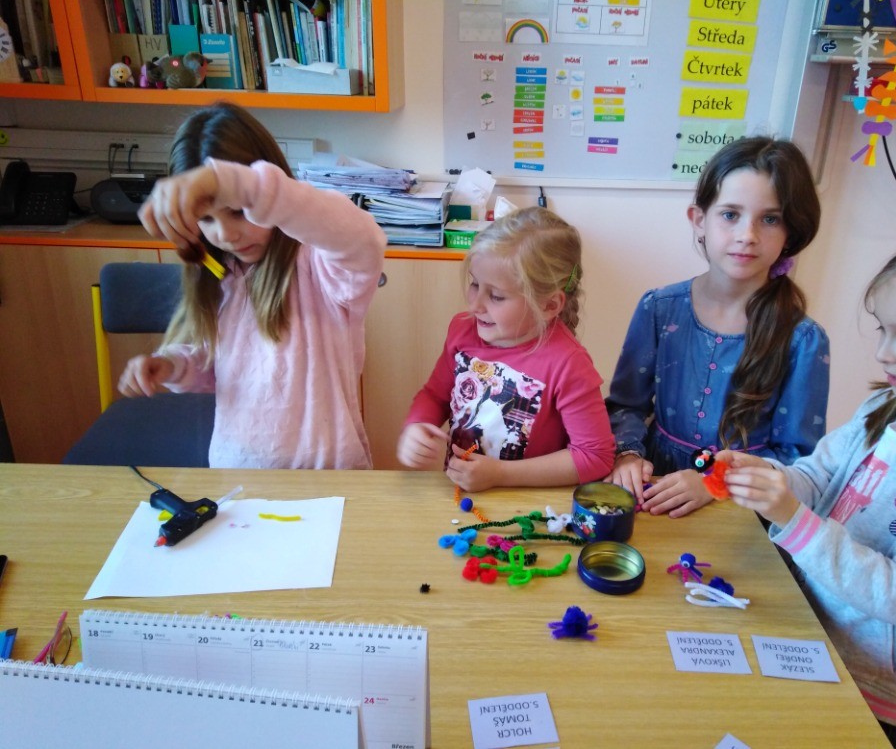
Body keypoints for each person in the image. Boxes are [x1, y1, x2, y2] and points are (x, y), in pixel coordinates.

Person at [721, 224, 896, 749]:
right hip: (807, 631)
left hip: (871, 687)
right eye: (882, 331)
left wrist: (793, 519)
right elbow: (819, 478)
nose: (884, 354)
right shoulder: (886, 406)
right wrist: (770, 479)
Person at [118, 102, 387, 470]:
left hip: (327, 477)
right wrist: (172, 365)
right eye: (207, 220)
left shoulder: (322, 266)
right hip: (238, 473)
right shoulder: (222, 275)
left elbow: (362, 238)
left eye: (238, 211)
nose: (226, 234)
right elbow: (219, 365)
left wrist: (234, 184)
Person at [605, 136, 829, 517]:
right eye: (730, 215)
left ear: (790, 233)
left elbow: (796, 457)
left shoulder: (802, 340)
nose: (747, 235)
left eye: (770, 219)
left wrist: (714, 479)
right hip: (655, 490)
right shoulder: (659, 309)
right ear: (699, 219)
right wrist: (627, 454)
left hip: (741, 509)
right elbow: (627, 405)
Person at [397, 206, 615, 491]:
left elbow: (595, 457)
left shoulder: (568, 363)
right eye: (475, 284)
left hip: (527, 505)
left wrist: (500, 474)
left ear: (549, 305)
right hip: (461, 497)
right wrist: (416, 425)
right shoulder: (462, 330)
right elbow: (435, 395)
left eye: (496, 296)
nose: (475, 305)